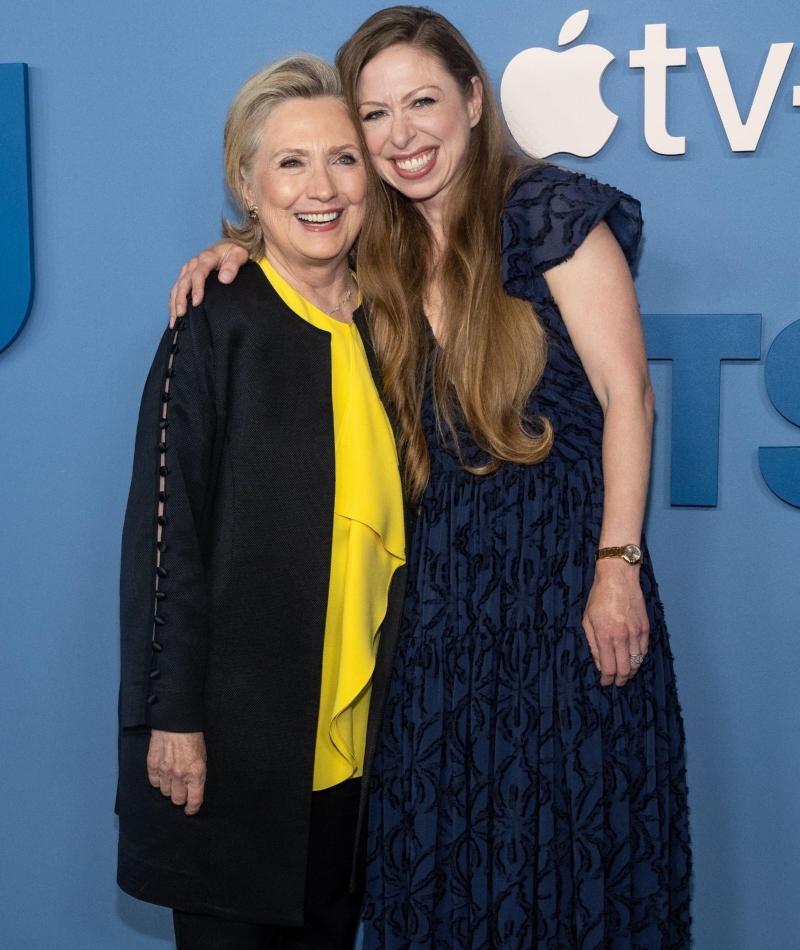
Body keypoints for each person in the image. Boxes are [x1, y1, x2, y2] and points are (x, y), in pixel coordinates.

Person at [168, 7, 692, 949]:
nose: (401, 134)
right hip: (435, 639)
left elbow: (628, 399)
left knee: (564, 881)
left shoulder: (548, 214)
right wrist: (240, 248)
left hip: (564, 615)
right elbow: (300, 251)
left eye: (422, 102)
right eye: (373, 115)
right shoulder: (378, 253)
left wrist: (617, 565)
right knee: (443, 880)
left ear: (475, 101)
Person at [117, 54, 407, 950]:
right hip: (230, 760)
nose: (320, 188)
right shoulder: (216, 317)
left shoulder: (396, 326)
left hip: (356, 771)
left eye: (343, 158)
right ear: (248, 182)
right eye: (290, 162)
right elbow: (169, 539)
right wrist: (172, 719)